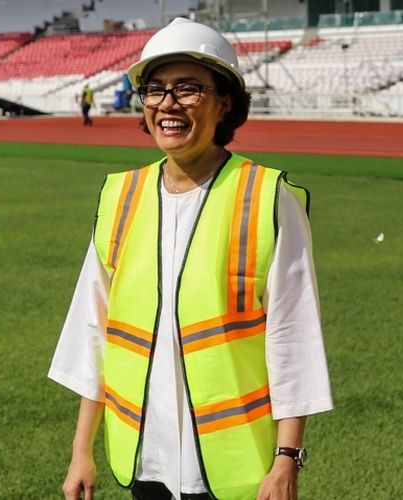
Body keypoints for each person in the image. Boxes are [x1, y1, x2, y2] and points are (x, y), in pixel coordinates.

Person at [49, 18, 332, 500]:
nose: (167, 104)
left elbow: (293, 336)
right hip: (143, 456)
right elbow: (93, 330)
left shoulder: (266, 196)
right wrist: (81, 451)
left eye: (187, 88)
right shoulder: (121, 196)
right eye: (154, 90)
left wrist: (287, 460)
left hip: (234, 466)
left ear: (224, 102)